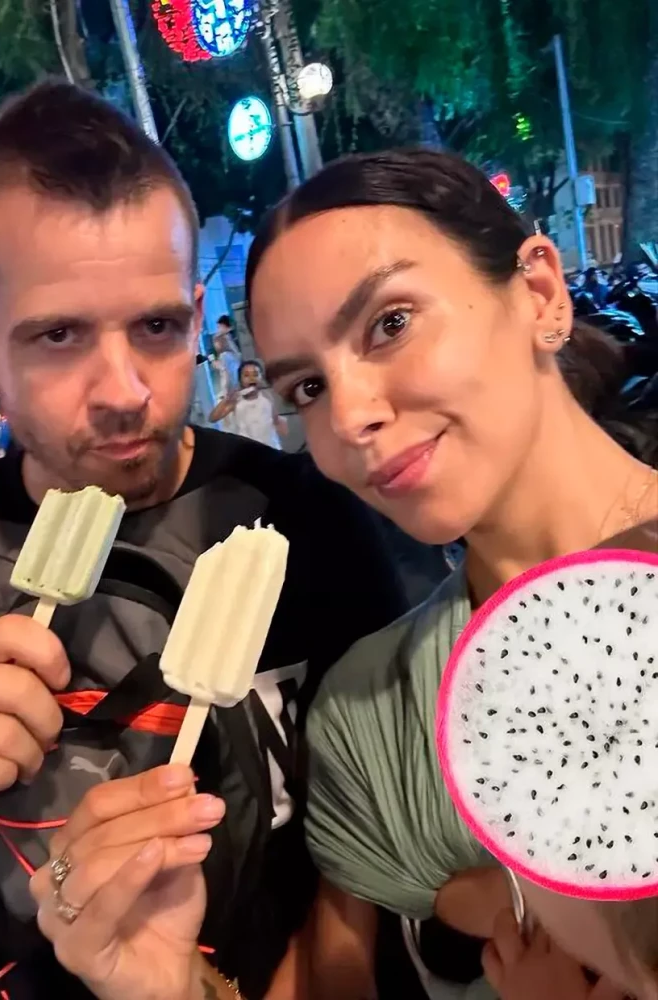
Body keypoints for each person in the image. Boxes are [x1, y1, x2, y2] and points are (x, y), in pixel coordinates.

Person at [0, 84, 410, 1000]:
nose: (124, 390)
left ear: (196, 314)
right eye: (59, 336)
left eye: (157, 326)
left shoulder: (306, 517)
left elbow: (378, 857)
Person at [242, 149, 658, 998]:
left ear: (539, 293)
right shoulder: (370, 718)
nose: (352, 416)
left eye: (390, 323)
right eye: (308, 388)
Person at [209, 360, 287, 450]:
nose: (251, 378)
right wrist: (227, 400)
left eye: (255, 374)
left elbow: (276, 420)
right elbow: (213, 418)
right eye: (246, 375)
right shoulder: (236, 401)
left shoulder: (267, 397)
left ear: (261, 377)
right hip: (248, 450)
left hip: (270, 448)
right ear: (240, 380)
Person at [210, 315, 242, 434]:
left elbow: (229, 376)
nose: (215, 345)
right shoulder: (233, 354)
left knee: (231, 428)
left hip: (229, 394)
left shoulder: (226, 356)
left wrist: (228, 395)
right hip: (233, 392)